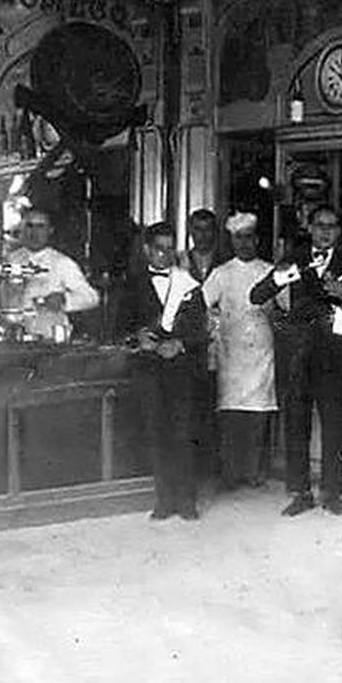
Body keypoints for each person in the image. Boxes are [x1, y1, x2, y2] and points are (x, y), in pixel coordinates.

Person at [250, 205, 342, 517]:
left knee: (335, 423)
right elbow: (256, 295)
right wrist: (282, 277)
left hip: (334, 352)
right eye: (319, 225)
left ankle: (332, 492)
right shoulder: (295, 258)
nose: (325, 231)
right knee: (296, 422)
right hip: (298, 352)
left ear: (339, 231)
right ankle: (300, 491)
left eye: (331, 226)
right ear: (310, 228)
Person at [126, 221, 208, 521]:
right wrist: (138, 338)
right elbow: (120, 325)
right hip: (149, 370)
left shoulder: (187, 283)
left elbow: (202, 328)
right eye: (159, 249)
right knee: (157, 433)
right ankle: (164, 500)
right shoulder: (133, 283)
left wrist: (181, 344)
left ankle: (187, 501)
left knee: (183, 434)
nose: (164, 255)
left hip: (181, 369)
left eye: (169, 248)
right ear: (147, 249)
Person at [200, 213, 277, 492]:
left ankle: (255, 472)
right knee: (232, 414)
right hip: (231, 352)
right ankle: (231, 473)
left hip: (261, 349)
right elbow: (201, 305)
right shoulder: (221, 273)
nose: (243, 244)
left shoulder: (270, 271)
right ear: (232, 242)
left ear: (256, 239)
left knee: (258, 413)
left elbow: (284, 306)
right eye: (238, 238)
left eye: (248, 237)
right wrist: (215, 323)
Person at [3, 205, 101, 337]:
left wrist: (64, 300)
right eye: (29, 226)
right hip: (14, 335)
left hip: (49, 337)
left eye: (40, 226)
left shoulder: (62, 263)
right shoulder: (10, 260)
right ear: (21, 229)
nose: (34, 232)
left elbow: (92, 298)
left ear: (50, 230)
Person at [183, 207, 222, 481]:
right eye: (197, 229)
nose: (202, 235)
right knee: (192, 405)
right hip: (190, 342)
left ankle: (215, 469)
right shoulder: (180, 263)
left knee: (216, 405)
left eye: (207, 229)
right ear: (190, 232)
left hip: (220, 341)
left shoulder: (225, 263)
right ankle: (194, 467)